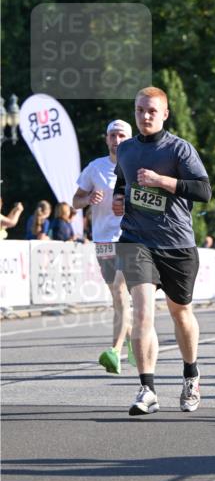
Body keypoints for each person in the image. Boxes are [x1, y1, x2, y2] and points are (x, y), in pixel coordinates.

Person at [112, 87, 211, 414]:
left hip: (177, 244)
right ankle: (147, 389)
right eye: (140, 110)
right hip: (136, 240)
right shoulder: (125, 150)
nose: (145, 116)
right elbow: (122, 182)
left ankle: (191, 374)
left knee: (180, 312)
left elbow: (203, 191)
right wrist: (118, 198)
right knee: (141, 311)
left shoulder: (179, 149)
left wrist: (161, 181)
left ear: (165, 113)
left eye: (152, 111)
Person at [73, 119, 134, 375]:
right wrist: (88, 198)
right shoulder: (94, 168)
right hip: (103, 241)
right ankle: (132, 341)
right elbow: (75, 202)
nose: (116, 140)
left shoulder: (137, 165)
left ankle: (115, 351)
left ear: (129, 139)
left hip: (131, 237)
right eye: (112, 135)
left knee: (121, 293)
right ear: (106, 139)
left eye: (121, 135)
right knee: (118, 298)